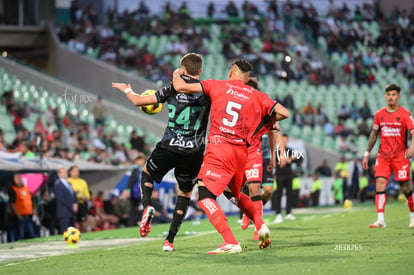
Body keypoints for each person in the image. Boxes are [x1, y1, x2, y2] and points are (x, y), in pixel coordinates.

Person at [172, 58, 290, 253]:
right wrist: (262, 123)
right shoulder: (256, 95)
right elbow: (283, 113)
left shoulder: (217, 85)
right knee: (232, 194)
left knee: (204, 197)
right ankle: (260, 224)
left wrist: (177, 74)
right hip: (241, 154)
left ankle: (231, 241)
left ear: (231, 72)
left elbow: (180, 87)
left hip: (220, 149)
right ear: (246, 77)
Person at [112, 53, 211, 252]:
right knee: (184, 193)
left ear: (182, 69)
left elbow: (138, 102)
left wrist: (128, 89)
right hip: (193, 151)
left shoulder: (172, 88)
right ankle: (170, 241)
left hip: (169, 145)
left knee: (147, 173)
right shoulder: (208, 92)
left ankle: (147, 204)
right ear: (200, 71)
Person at [362, 83, 414, 228]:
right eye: (389, 95)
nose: (391, 97)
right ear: (385, 96)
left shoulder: (405, 114)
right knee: (380, 182)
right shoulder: (379, 114)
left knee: (405, 187)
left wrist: (412, 146)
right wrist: (367, 154)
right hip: (383, 156)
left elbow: (413, 132)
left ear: (398, 97)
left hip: (400, 156)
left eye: (394, 95)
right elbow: (374, 134)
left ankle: (412, 216)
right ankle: (380, 219)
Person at [239, 76, 285, 240]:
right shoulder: (239, 105)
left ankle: (251, 214)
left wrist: (273, 156)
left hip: (262, 155)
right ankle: (254, 221)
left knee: (267, 191)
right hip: (243, 153)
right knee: (250, 189)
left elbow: (274, 132)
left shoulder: (264, 105)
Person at [273, 134, 299, 223]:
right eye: (282, 140)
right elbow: (277, 161)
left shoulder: (290, 150)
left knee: (289, 194)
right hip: (279, 175)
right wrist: (287, 160)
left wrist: (291, 159)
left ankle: (288, 213)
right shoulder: (276, 151)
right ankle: (278, 214)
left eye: (285, 140)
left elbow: (298, 159)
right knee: (278, 194)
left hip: (288, 175)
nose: (284, 141)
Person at [8, 173, 37, 242]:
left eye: (20, 178)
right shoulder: (13, 190)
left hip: (29, 214)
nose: (19, 180)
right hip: (20, 216)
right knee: (20, 234)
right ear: (14, 180)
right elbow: (12, 204)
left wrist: (34, 210)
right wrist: (18, 215)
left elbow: (32, 200)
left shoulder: (26, 188)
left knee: (31, 234)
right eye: (17, 178)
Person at [54, 166, 78, 234]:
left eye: (65, 172)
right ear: (59, 174)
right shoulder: (58, 185)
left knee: (72, 232)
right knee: (65, 232)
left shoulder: (69, 183)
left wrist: (75, 203)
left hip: (71, 212)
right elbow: (61, 199)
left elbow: (72, 195)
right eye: (63, 172)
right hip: (64, 212)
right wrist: (72, 206)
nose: (65, 173)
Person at [125, 154, 146, 227]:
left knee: (141, 208)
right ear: (137, 161)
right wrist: (128, 190)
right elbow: (131, 181)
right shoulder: (135, 170)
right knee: (133, 209)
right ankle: (131, 224)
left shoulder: (142, 169)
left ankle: (140, 222)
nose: (141, 161)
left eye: (142, 160)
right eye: (140, 160)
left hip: (141, 192)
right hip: (135, 193)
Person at [68, 165, 90, 233]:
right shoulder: (67, 181)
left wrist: (84, 197)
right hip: (71, 205)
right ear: (70, 172)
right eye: (74, 171)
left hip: (81, 204)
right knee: (72, 226)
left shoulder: (82, 182)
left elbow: (87, 196)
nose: (76, 173)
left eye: (77, 171)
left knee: (83, 224)